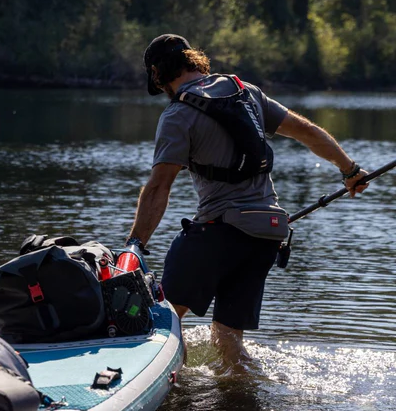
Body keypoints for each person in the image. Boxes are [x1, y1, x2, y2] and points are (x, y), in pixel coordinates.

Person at [128, 34, 369, 363]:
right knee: (229, 343)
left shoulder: (177, 115)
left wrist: (135, 245)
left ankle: (172, 396)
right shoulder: (245, 91)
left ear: (157, 73)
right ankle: (248, 399)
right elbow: (307, 132)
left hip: (218, 233)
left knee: (162, 321)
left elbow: (159, 187)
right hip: (267, 234)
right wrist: (350, 169)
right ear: (191, 60)